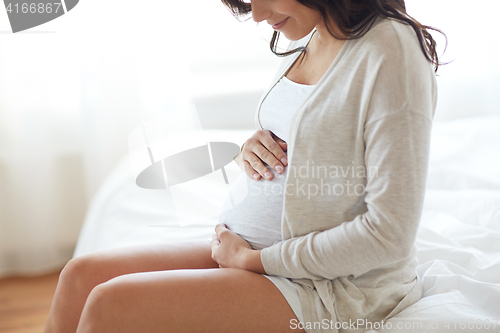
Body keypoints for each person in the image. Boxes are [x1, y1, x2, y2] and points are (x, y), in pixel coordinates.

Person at [44, 0, 445, 332]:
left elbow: (388, 235)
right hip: (257, 252)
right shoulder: (317, 34)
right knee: (80, 276)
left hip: (330, 287)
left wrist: (253, 261)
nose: (255, 14)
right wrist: (253, 145)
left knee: (109, 304)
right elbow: (321, 132)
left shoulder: (391, 47)